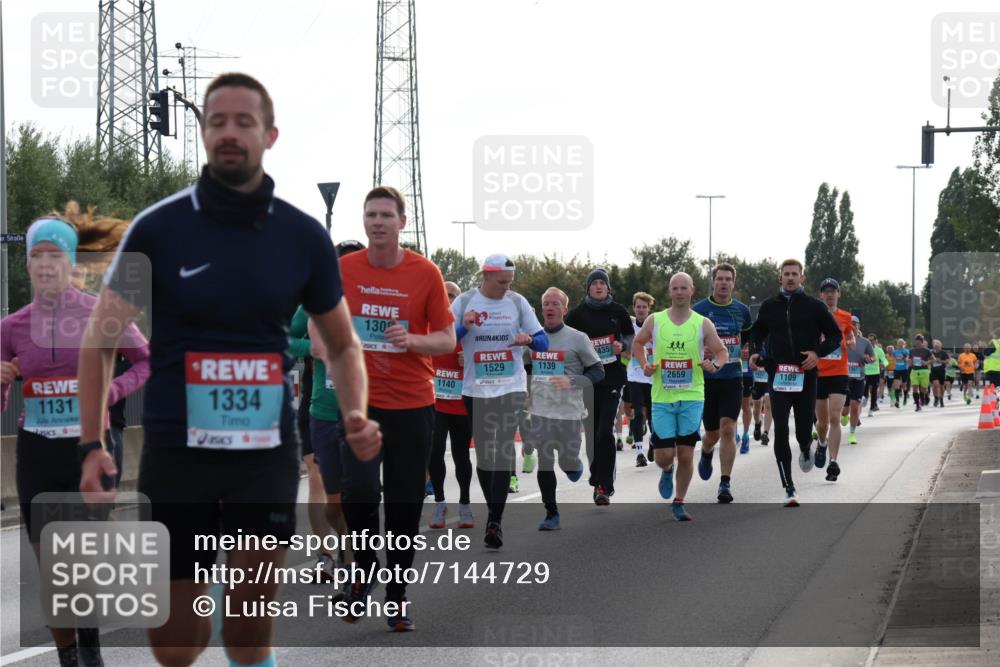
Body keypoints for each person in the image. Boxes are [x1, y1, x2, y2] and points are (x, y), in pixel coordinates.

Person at [77, 73, 382, 666]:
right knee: (174, 647)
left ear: (270, 135)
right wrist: (93, 444)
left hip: (263, 455)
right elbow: (100, 342)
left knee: (246, 632)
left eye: (245, 121)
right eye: (217, 121)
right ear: (204, 133)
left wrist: (355, 413)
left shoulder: (303, 237)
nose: (230, 132)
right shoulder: (156, 230)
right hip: (177, 453)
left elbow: (344, 345)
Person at [2, 213, 150, 667]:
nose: (46, 265)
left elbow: (147, 360)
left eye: (56, 256)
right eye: (37, 256)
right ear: (28, 265)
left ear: (71, 263)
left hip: (90, 448)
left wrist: (112, 391)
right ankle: (70, 656)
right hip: (37, 450)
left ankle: (91, 651)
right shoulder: (11, 327)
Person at [337, 186, 456, 631]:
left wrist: (412, 341)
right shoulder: (345, 270)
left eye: (386, 215)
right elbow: (318, 323)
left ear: (402, 222)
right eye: (371, 214)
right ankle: (365, 568)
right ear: (363, 220)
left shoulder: (425, 273)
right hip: (361, 403)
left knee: (404, 506)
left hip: (412, 405)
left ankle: (397, 594)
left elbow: (447, 339)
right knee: (359, 493)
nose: (378, 222)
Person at [454, 254, 547, 548]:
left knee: (504, 449)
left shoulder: (517, 303)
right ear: (486, 275)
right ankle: (494, 513)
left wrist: (528, 340)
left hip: (511, 387)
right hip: (476, 389)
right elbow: (445, 339)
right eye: (501, 282)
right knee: (485, 454)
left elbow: (543, 341)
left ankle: (494, 521)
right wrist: (463, 327)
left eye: (510, 282)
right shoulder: (464, 302)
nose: (506, 287)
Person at [287, 239, 366, 582]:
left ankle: (351, 552)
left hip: (362, 405)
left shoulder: (374, 301)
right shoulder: (314, 302)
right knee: (317, 476)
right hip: (318, 402)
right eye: (342, 263)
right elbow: (283, 339)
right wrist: (311, 348)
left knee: (352, 487)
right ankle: (325, 554)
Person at [632, 272, 728, 521]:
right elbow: (637, 344)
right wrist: (644, 364)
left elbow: (721, 351)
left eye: (684, 288)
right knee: (663, 457)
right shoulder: (655, 320)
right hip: (662, 397)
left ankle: (679, 501)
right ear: (670, 291)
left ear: (692, 290)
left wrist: (715, 365)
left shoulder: (702, 323)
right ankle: (667, 470)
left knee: (686, 453)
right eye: (675, 288)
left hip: (692, 395)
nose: (679, 292)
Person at [749, 259, 841, 506]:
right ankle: (789, 486)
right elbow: (757, 331)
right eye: (786, 274)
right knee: (780, 428)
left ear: (802, 277)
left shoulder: (814, 306)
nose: (790, 278)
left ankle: (805, 445)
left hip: (806, 375)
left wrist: (817, 353)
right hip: (778, 374)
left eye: (794, 274)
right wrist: (756, 351)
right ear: (780, 277)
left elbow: (835, 335)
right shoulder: (769, 306)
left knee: (802, 431)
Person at [523, 287, 604, 530]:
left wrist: (572, 381)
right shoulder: (532, 339)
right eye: (546, 304)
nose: (549, 308)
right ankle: (551, 513)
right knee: (545, 459)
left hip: (569, 411)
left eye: (555, 304)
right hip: (541, 410)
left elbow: (597, 371)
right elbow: (525, 366)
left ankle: (574, 465)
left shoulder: (577, 338)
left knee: (567, 462)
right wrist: (527, 389)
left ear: (564, 310)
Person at [565, 269, 634, 505]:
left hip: (612, 377)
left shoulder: (618, 311)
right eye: (594, 283)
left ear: (608, 287)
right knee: (593, 433)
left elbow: (630, 338)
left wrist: (621, 345)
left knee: (605, 430)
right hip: (588, 380)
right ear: (588, 288)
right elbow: (566, 340)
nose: (598, 286)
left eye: (602, 283)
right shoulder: (577, 315)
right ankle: (597, 477)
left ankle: (604, 484)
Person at [692, 263, 752, 503]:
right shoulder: (698, 310)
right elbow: (687, 341)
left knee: (728, 428)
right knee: (712, 433)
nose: (724, 283)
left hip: (732, 377)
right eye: (720, 279)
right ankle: (706, 451)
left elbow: (747, 338)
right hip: (706, 380)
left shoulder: (742, 311)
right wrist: (701, 350)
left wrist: (747, 350)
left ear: (733, 283)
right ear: (713, 281)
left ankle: (725, 483)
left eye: (728, 279)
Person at [428, 281, 475, 530]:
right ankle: (440, 502)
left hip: (462, 402)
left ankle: (465, 503)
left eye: (453, 295)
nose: (449, 299)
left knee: (461, 455)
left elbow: (487, 356)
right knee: (434, 450)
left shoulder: (469, 328)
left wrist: (471, 358)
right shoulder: (430, 325)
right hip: (436, 401)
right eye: (445, 295)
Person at [813, 279, 855, 481]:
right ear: (821, 295)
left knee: (835, 417)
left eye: (833, 291)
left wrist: (851, 341)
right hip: (818, 373)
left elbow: (850, 336)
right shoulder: (814, 315)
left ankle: (833, 461)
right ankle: (822, 443)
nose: (830, 294)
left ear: (839, 294)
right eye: (826, 291)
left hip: (839, 372)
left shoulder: (845, 317)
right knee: (822, 423)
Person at [626, 292, 655, 467]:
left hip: (652, 377)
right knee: (638, 414)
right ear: (634, 308)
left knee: (652, 415)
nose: (641, 310)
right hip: (634, 376)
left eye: (644, 307)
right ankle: (639, 453)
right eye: (638, 307)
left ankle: (652, 442)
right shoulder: (629, 327)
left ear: (649, 309)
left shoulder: (656, 326)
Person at [845, 316, 874, 446]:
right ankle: (844, 415)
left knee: (855, 407)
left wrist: (869, 359)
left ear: (859, 326)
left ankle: (852, 434)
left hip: (859, 377)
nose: (852, 326)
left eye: (855, 324)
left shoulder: (865, 342)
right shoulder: (841, 339)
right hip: (843, 377)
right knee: (844, 410)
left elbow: (873, 357)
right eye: (850, 323)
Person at [864, 333, 887, 418]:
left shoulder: (879, 350)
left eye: (872, 340)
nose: (870, 342)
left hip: (875, 373)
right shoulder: (864, 348)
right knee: (864, 390)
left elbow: (885, 360)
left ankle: (871, 409)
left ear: (876, 341)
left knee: (873, 392)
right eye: (869, 340)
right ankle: (864, 399)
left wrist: (883, 364)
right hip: (865, 373)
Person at [909, 335, 933, 411]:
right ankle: (918, 406)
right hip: (914, 371)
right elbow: (909, 359)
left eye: (919, 342)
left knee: (923, 390)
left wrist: (926, 362)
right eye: (916, 342)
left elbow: (933, 359)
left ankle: (926, 396)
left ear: (922, 342)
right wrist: (909, 362)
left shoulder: (927, 350)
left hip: (924, 371)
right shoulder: (912, 350)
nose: (917, 343)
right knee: (914, 388)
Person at [929, 339, 951, 407]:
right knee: (935, 384)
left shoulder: (943, 353)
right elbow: (928, 360)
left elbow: (947, 361)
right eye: (935, 346)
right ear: (933, 346)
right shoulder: (931, 352)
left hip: (941, 371)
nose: (937, 347)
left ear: (940, 346)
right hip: (933, 371)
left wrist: (940, 361)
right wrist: (931, 361)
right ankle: (936, 398)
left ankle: (941, 399)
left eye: (938, 346)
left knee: (941, 386)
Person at [891, 339, 910, 407]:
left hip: (904, 369)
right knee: (897, 385)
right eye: (899, 343)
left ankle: (905, 398)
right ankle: (897, 401)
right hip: (897, 369)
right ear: (897, 344)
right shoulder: (895, 352)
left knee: (904, 385)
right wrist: (896, 359)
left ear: (903, 344)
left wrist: (903, 358)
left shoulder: (906, 351)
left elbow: (907, 359)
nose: (900, 344)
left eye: (901, 343)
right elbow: (893, 359)